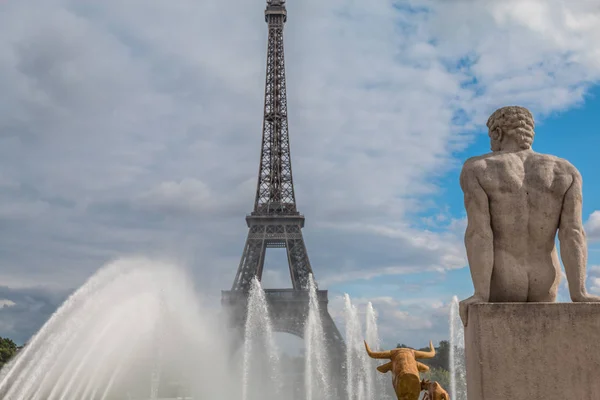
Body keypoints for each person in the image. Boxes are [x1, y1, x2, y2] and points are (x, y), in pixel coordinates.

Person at [459, 106, 600, 325]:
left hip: (502, 279)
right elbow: (573, 234)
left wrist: (480, 294)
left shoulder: (479, 168)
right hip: (546, 281)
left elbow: (479, 234)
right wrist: (579, 292)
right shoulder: (566, 170)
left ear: (498, 132)